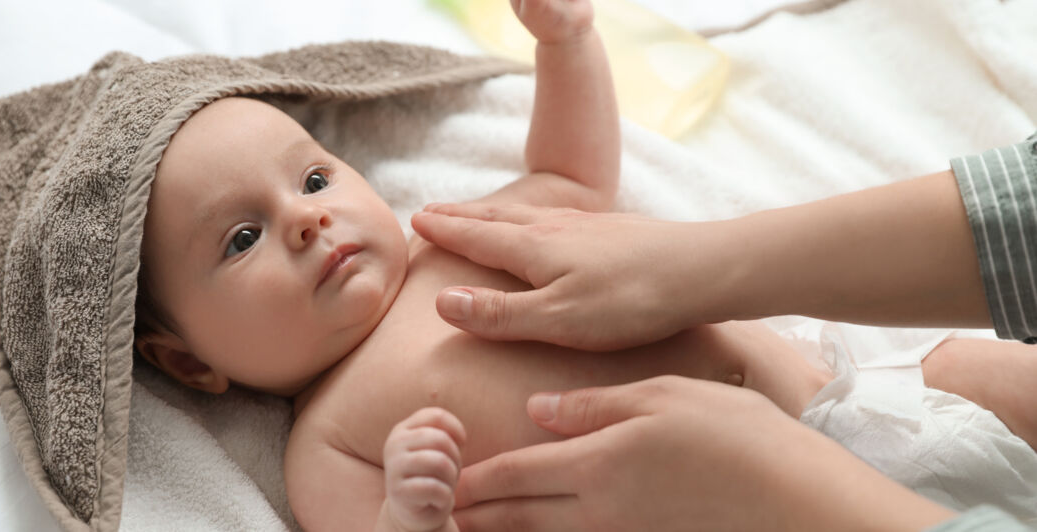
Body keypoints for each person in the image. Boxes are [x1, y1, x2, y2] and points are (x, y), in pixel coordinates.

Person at [408, 132, 1037, 530]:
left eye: (317, 177)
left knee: (979, 371)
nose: (310, 219)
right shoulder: (324, 435)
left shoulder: (443, 235)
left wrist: (564, 41)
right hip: (717, 510)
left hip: (866, 408)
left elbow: (570, 173)